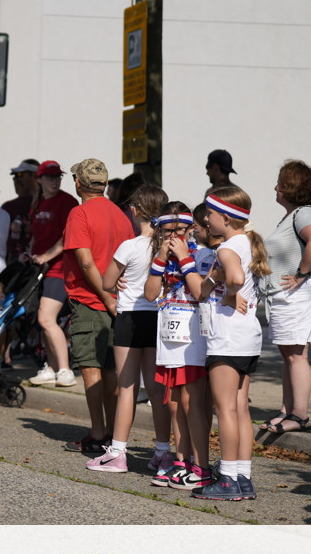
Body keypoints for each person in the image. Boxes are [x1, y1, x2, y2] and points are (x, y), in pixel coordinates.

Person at [193, 187, 270, 501]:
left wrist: (225, 292)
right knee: (240, 409)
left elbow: (235, 278)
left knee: (224, 409)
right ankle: (242, 477)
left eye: (210, 214)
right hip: (247, 336)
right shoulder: (247, 242)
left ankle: (226, 479)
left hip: (228, 338)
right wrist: (220, 284)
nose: (206, 220)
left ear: (225, 218)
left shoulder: (227, 248)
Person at [88, 184, 170, 475]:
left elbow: (107, 282)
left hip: (131, 318)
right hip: (158, 318)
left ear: (135, 211)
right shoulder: (167, 247)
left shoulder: (130, 246)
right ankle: (163, 452)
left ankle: (118, 452)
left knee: (127, 387)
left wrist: (119, 280)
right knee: (157, 389)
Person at [145, 203, 221, 490]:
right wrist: (160, 259)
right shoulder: (161, 256)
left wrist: (183, 257)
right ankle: (181, 461)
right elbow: (150, 294)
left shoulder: (203, 255)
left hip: (193, 337)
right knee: (174, 403)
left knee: (192, 402)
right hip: (169, 337)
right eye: (167, 231)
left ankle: (201, 465)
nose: (173, 236)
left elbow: (202, 291)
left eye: (179, 230)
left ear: (190, 228)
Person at [61, 159, 135, 453]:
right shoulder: (120, 215)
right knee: (111, 370)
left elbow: (86, 261)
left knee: (91, 368)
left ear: (79, 183)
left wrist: (106, 297)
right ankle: (114, 434)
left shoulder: (79, 213)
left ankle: (97, 434)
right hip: (119, 301)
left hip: (90, 300)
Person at [259, 160, 311, 433]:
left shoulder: (304, 213)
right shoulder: (293, 216)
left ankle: (299, 415)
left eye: (279, 183)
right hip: (292, 292)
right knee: (290, 354)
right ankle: (287, 410)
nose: (275, 188)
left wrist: (301, 273)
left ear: (289, 186)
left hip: (300, 291)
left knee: (296, 355)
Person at [27, 160, 79, 388]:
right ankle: (51, 367)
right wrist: (30, 254)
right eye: (50, 177)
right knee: (45, 322)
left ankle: (65, 370)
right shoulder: (37, 203)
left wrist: (46, 256)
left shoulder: (67, 202)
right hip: (41, 270)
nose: (55, 181)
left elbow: (68, 237)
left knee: (46, 319)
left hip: (60, 269)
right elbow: (35, 236)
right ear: (39, 180)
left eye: (58, 177)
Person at [2, 159, 39, 263]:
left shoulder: (47, 205)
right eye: (14, 176)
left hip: (38, 259)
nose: (16, 180)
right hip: (14, 259)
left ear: (35, 177)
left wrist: (22, 228)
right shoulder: (8, 207)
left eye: (20, 175)